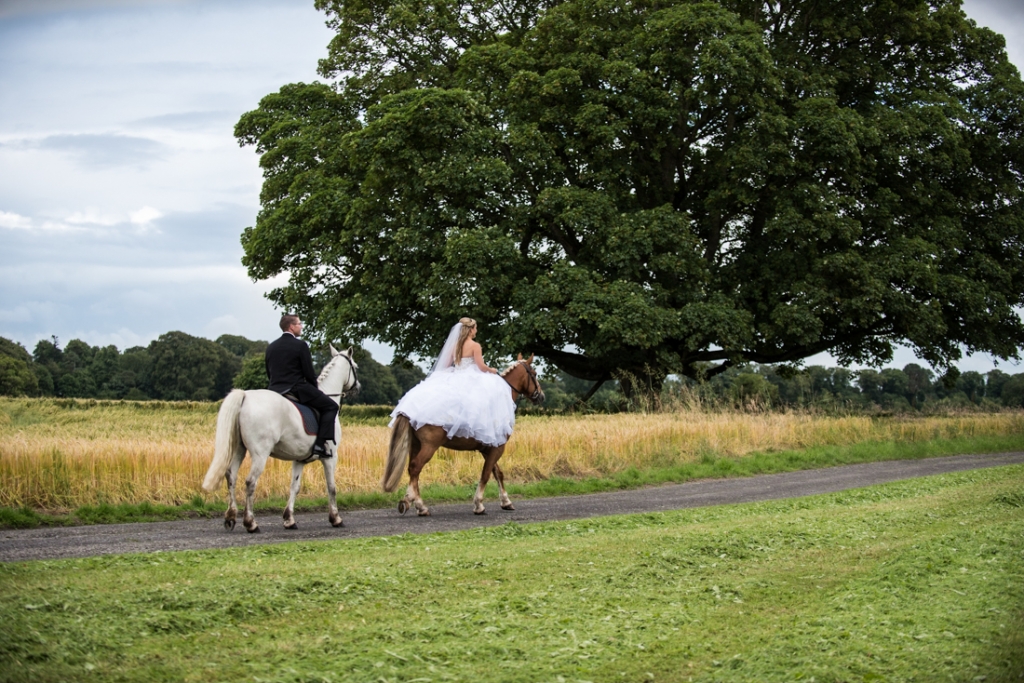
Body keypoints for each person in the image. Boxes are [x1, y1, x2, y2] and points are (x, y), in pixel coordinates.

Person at [390, 317, 517, 446]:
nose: (476, 331)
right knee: (485, 398)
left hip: (457, 373)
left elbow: (445, 365)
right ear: (470, 330)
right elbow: (481, 367)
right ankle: (482, 429)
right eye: (475, 328)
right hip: (471, 376)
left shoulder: (455, 346)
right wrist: (492, 370)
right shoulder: (475, 346)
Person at [265, 314, 337, 459]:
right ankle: (320, 445)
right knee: (331, 406)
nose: (301, 326)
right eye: (299, 324)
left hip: (274, 390)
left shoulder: (271, 347)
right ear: (291, 326)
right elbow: (309, 373)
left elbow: (269, 372)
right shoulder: (300, 345)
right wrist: (315, 390)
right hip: (296, 388)